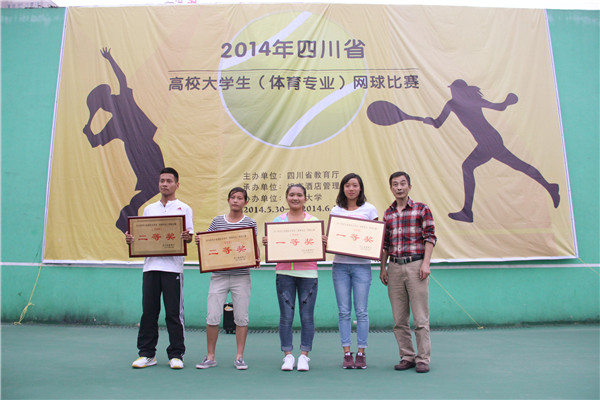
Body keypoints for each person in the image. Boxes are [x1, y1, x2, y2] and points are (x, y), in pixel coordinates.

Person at [422, 79, 560, 222]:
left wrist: (508, 101)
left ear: (459, 91)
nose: (451, 91)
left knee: (471, 167)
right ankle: (550, 187)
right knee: (515, 165)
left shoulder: (472, 101)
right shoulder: (452, 104)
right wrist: (421, 119)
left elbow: (499, 107)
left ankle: (467, 212)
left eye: (453, 89)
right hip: (485, 142)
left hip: (491, 140)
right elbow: (437, 123)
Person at [84, 48, 165, 233]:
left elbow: (121, 78)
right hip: (139, 153)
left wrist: (110, 59)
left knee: (156, 185)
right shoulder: (114, 123)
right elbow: (95, 142)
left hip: (149, 148)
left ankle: (127, 214)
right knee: (155, 186)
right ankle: (126, 214)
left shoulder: (124, 101)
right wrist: (88, 129)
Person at [125, 167, 193, 369]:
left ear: (177, 185)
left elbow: (189, 236)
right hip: (151, 267)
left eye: (169, 181)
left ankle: (176, 355)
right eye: (162, 180)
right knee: (149, 312)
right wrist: (132, 239)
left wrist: (187, 237)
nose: (165, 184)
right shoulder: (149, 209)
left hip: (173, 269)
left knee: (173, 313)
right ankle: (147, 354)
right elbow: (143, 235)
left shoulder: (184, 209)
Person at [195, 187, 259, 371]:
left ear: (245, 202)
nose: (236, 201)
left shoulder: (250, 222)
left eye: (240, 198)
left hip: (242, 276)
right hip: (219, 276)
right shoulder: (217, 221)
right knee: (212, 316)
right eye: (233, 197)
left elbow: (253, 246)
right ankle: (210, 357)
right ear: (228, 200)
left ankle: (239, 357)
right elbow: (208, 242)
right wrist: (200, 241)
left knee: (241, 318)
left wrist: (255, 257)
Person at [262, 184, 324, 372]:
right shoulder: (278, 221)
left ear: (305, 198)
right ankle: (287, 355)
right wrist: (268, 242)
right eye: (291, 195)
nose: (295, 198)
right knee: (286, 317)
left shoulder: (313, 222)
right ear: (286, 197)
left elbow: (318, 247)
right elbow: (274, 246)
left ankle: (304, 355)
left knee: (307, 317)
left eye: (299, 195)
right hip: (284, 274)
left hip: (308, 274)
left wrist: (322, 242)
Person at [380, 171, 436, 373]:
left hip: (416, 265)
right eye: (395, 184)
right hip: (394, 267)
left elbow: (430, 237)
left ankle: (423, 359)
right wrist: (383, 268)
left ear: (409, 187)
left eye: (403, 183)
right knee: (399, 319)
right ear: (391, 188)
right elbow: (385, 244)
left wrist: (426, 264)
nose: (399, 187)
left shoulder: (421, 209)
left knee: (420, 317)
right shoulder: (388, 214)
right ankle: (407, 356)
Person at [329, 173, 378, 369]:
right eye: (347, 185)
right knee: (343, 312)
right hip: (340, 266)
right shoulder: (336, 210)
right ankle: (347, 353)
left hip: (362, 267)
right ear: (343, 188)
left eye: (355, 185)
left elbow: (376, 237)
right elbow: (332, 236)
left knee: (362, 312)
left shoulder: (370, 209)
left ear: (360, 188)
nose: (351, 189)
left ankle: (361, 353)